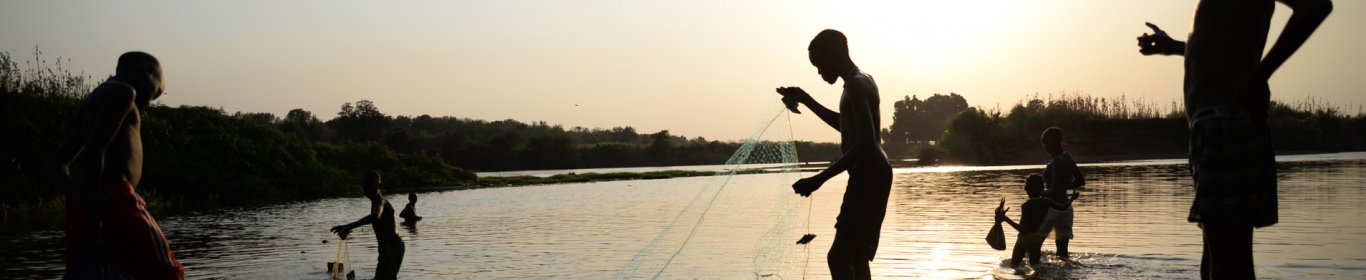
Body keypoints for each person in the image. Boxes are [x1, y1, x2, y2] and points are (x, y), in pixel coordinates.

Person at [1137, 0, 1332, 278]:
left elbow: (1315, 6)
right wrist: (1177, 47)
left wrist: (1259, 75)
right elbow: (1220, 49)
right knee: (1216, 256)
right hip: (1210, 128)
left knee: (1229, 261)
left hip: (1226, 124)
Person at [46, 51, 185, 279]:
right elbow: (94, 151)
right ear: (148, 72)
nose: (148, 103)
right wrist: (93, 213)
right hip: (115, 199)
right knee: (169, 271)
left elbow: (55, 165)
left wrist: (81, 200)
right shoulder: (123, 92)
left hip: (89, 202)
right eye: (155, 93)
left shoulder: (96, 101)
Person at [777, 29, 893, 280]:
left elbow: (865, 143)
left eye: (820, 65)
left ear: (836, 54)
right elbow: (847, 124)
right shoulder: (859, 81)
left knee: (838, 257)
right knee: (857, 256)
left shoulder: (856, 84)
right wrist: (806, 99)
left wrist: (818, 179)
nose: (819, 73)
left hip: (870, 178)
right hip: (871, 176)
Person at [331, 171, 405, 280]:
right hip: (386, 246)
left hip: (392, 246)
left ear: (380, 186)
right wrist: (346, 226)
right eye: (365, 186)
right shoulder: (375, 201)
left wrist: (348, 227)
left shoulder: (381, 201)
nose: (367, 189)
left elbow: (375, 216)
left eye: (370, 185)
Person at [997, 174, 1078, 267]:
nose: (1025, 188)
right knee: (1035, 269)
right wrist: (1072, 198)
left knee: (1014, 265)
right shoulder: (1047, 202)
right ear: (1042, 189)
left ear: (1027, 189)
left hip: (1023, 240)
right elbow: (1063, 207)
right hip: (1036, 239)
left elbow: (1024, 230)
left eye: (1026, 186)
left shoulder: (1026, 205)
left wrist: (1005, 219)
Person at [1037, 127, 1084, 260]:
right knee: (1063, 254)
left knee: (1034, 245)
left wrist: (1040, 193)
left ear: (1057, 141)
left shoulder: (1057, 161)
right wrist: (1063, 187)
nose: (1045, 146)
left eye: (1047, 142)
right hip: (1066, 210)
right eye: (1043, 143)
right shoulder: (1067, 156)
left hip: (1051, 209)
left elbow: (1054, 191)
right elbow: (1080, 180)